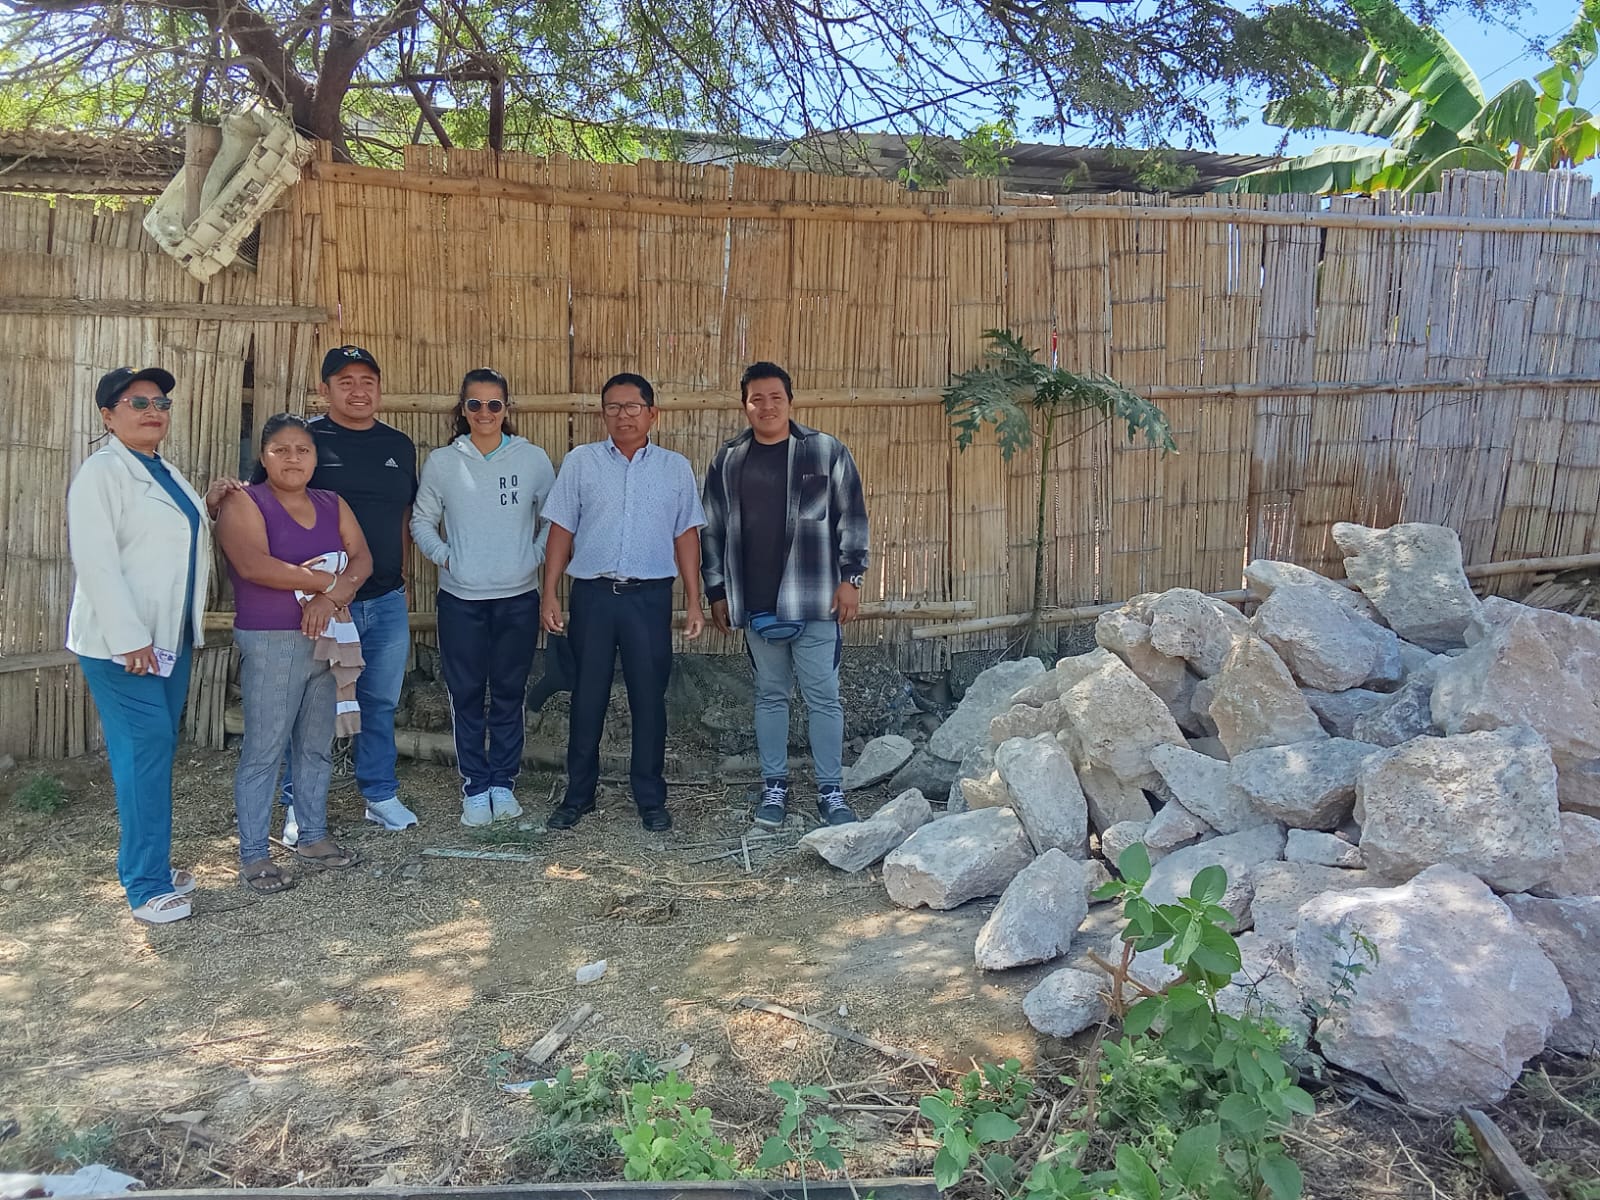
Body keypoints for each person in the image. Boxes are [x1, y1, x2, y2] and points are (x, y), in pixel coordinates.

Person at [67, 367, 234, 925]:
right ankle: (144, 886)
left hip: (167, 640)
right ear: (107, 415)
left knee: (155, 749)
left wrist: (207, 504)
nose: (152, 410)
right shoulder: (102, 473)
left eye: (160, 402)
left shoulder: (161, 469)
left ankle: (152, 865)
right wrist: (129, 638)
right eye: (137, 402)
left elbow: (167, 536)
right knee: (145, 748)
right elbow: (95, 561)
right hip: (123, 645)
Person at [701, 362, 869, 829]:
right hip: (757, 604)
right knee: (770, 696)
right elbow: (711, 529)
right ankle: (773, 786)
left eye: (775, 397)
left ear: (790, 401)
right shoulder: (728, 460)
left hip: (816, 600)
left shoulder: (826, 451)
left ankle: (831, 791)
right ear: (745, 405)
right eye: (756, 398)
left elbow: (852, 516)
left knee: (824, 698)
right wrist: (716, 591)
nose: (767, 406)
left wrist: (851, 579)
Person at [539, 372, 705, 832]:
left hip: (649, 600)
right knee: (586, 697)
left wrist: (694, 600)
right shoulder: (581, 462)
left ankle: (650, 798)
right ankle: (578, 796)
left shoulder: (674, 468)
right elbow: (561, 530)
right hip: (593, 598)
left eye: (632, 406)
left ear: (653, 414)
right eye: (612, 407)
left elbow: (686, 535)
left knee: (648, 700)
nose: (622, 415)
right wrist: (550, 592)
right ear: (603, 414)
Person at [216, 414, 371, 892]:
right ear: (263, 456)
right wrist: (326, 582)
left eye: (303, 450)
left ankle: (313, 835)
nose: (292, 458)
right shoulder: (245, 502)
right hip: (272, 639)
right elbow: (253, 565)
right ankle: (254, 854)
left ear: (315, 457)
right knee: (265, 748)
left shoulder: (331, 503)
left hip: (328, 635)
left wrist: (330, 598)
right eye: (280, 449)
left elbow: (363, 559)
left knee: (315, 744)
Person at [281, 345, 419, 837]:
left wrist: (401, 576)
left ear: (379, 389)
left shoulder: (398, 445)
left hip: (384, 599)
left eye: (367, 381)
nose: (358, 391)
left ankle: (379, 794)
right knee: (310, 705)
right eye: (345, 382)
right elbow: (266, 505)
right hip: (320, 603)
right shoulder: (305, 441)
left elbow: (403, 515)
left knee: (379, 702)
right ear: (325, 390)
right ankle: (299, 804)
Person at [411, 369, 555, 826]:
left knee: (510, 692)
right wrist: (447, 558)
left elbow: (554, 519)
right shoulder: (442, 462)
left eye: (494, 404)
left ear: (507, 409)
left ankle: (502, 783)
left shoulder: (532, 460)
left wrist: (533, 557)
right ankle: (475, 786)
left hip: (518, 597)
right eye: (475, 404)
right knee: (466, 694)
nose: (485, 413)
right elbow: (421, 521)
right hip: (461, 600)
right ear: (463, 409)